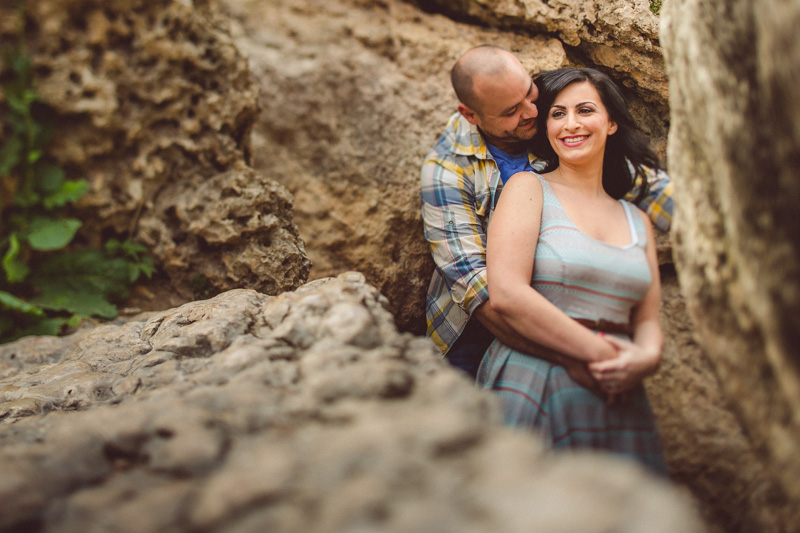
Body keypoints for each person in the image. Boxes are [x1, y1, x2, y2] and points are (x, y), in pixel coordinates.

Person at [420, 45, 673, 383]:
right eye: (511, 110)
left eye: (529, 93)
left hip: (566, 315)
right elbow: (479, 292)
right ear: (471, 115)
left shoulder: (551, 119)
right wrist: (571, 357)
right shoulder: (447, 171)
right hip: (477, 331)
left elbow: (643, 183)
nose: (530, 112)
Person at [476, 66, 666, 473]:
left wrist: (646, 359)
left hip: (620, 390)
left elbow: (648, 320)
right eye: (557, 114)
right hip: (537, 377)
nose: (571, 124)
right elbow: (507, 293)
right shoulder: (528, 189)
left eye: (584, 110)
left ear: (611, 123)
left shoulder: (637, 220)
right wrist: (599, 354)